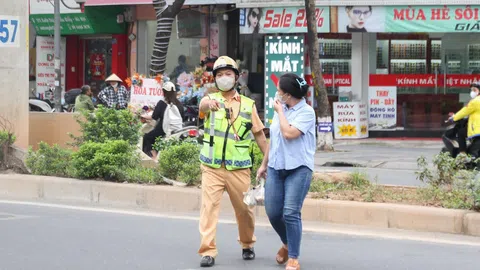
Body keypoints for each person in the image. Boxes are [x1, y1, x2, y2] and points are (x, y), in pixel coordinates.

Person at [197, 56, 268, 267]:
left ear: (236, 78)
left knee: (245, 210)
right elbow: (202, 106)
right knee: (208, 209)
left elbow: (259, 135)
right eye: (219, 75)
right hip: (212, 167)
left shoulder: (247, 105)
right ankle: (207, 251)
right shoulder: (210, 100)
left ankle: (247, 243)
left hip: (239, 168)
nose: (224, 78)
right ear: (215, 79)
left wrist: (267, 161)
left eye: (228, 74)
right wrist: (208, 103)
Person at [256, 73, 316, 270]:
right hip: (275, 166)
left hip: (298, 168)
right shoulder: (282, 109)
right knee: (273, 212)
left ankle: (293, 257)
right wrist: (264, 164)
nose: (277, 94)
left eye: (280, 91)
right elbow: (275, 138)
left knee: (290, 212)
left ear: (288, 95)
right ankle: (287, 242)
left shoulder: (306, 112)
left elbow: (289, 133)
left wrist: (280, 111)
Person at [142, 81, 185, 159]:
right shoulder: (180, 104)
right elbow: (183, 117)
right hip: (177, 130)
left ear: (164, 92)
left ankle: (153, 157)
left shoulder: (162, 103)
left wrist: (143, 116)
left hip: (163, 130)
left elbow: (154, 117)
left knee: (147, 137)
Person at [451, 83, 480, 157]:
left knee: (460, 133)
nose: (472, 92)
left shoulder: (475, 101)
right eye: (471, 90)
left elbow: (464, 111)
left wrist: (454, 117)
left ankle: (462, 153)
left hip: (477, 129)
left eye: (474, 90)